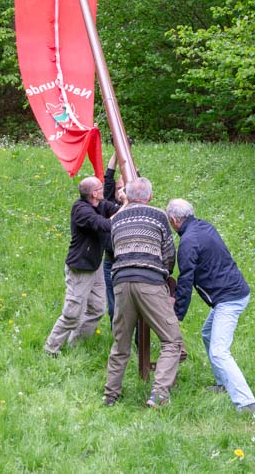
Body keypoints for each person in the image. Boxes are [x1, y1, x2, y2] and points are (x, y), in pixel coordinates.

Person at [166, 198, 255, 413]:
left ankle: (246, 402)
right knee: (208, 333)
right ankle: (223, 384)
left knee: (218, 351)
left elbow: (186, 281)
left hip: (229, 299)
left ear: (173, 220)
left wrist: (177, 314)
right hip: (232, 292)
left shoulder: (188, 243)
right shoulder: (204, 226)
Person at [104, 177, 183, 408]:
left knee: (121, 342)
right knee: (172, 340)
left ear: (127, 195)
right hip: (149, 282)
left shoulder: (116, 218)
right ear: (149, 196)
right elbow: (169, 252)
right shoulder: (158, 215)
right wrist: (166, 275)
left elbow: (113, 248)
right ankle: (159, 395)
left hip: (120, 283)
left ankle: (110, 395)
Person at [43, 176, 122, 356]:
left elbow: (115, 210)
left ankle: (75, 344)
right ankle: (51, 348)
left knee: (97, 308)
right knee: (72, 313)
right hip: (80, 268)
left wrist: (126, 203)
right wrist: (125, 204)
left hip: (95, 266)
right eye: (100, 187)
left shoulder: (100, 205)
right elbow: (105, 224)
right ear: (94, 193)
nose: (104, 189)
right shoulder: (81, 210)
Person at [102, 151, 127, 326]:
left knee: (132, 306)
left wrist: (127, 151)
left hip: (128, 262)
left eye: (125, 188)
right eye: (119, 188)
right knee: (113, 307)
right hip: (110, 261)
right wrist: (117, 152)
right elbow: (109, 176)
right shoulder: (109, 204)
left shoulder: (136, 205)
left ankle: (137, 343)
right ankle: (118, 340)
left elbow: (134, 173)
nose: (121, 191)